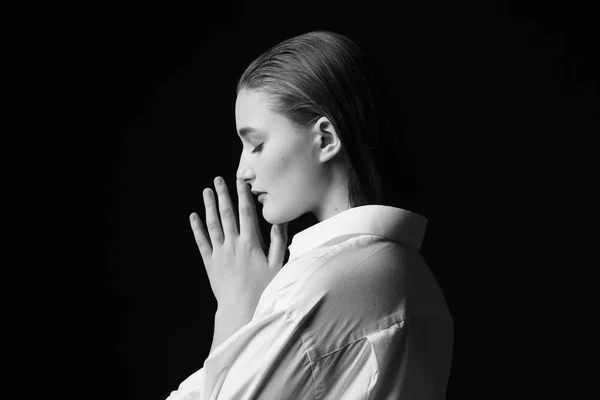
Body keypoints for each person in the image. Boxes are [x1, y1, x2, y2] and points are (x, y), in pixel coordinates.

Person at [167, 30, 453, 399]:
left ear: (326, 139)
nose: (242, 171)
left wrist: (236, 315)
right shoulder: (416, 279)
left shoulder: (312, 289)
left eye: (256, 144)